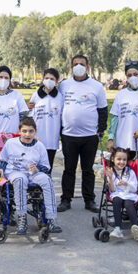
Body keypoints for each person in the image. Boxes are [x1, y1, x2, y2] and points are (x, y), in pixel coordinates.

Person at [0, 117, 61, 234]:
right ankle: (22, 218)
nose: (27, 134)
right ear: (19, 131)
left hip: (33, 173)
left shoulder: (39, 146)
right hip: (15, 172)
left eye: (31, 131)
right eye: (24, 131)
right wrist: (0, 169)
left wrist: (38, 168)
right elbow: (3, 160)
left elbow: (46, 166)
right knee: (20, 179)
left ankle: (51, 219)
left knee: (47, 180)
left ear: (35, 132)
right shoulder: (10, 143)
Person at [57, 55, 108, 212]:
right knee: (69, 169)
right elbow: (54, 102)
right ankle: (66, 199)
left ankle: (89, 200)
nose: (78, 66)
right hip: (69, 135)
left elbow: (103, 110)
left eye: (82, 64)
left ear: (87, 67)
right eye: (75, 64)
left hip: (90, 136)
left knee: (88, 170)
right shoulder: (64, 85)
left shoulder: (97, 86)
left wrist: (101, 129)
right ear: (71, 67)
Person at [106, 60, 138, 191]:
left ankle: (134, 206)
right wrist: (111, 138)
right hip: (122, 145)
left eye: (136, 74)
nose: (132, 77)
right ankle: (121, 203)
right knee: (121, 176)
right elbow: (115, 119)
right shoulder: (121, 94)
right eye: (129, 75)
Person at [0, 65, 29, 197]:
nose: (3, 80)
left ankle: (12, 201)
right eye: (0, 77)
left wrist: (20, 134)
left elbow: (24, 117)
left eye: (6, 77)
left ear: (10, 80)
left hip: (14, 143)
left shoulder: (16, 96)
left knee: (12, 173)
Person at [27, 68, 63, 171]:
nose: (49, 80)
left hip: (51, 140)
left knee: (47, 169)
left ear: (56, 81)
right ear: (43, 79)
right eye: (46, 78)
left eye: (52, 79)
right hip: (37, 139)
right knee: (34, 168)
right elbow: (30, 115)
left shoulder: (60, 97)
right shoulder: (36, 95)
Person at [105, 147, 138, 240]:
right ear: (113, 159)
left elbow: (134, 187)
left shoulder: (130, 172)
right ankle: (118, 228)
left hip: (129, 193)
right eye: (119, 159)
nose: (122, 162)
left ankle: (135, 227)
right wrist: (109, 178)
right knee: (116, 201)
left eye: (124, 160)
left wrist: (127, 183)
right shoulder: (111, 171)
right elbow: (112, 190)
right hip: (117, 194)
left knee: (128, 204)